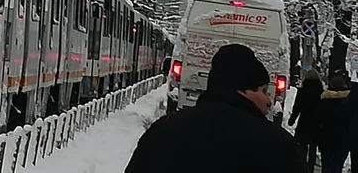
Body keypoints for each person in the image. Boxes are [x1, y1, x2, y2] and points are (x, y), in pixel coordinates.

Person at [124, 43, 305, 173]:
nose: (269, 101)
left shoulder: (163, 131)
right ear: (244, 89)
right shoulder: (279, 146)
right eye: (264, 91)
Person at [289, 68, 324, 172]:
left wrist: (292, 119)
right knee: (313, 147)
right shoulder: (321, 92)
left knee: (302, 146)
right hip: (316, 123)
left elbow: (297, 107)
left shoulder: (302, 91)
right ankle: (310, 168)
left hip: (304, 122)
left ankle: (302, 167)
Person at [316, 71, 351, 173]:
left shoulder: (324, 101)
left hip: (326, 138)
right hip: (343, 139)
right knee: (337, 165)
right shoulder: (349, 102)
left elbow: (318, 120)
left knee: (326, 165)